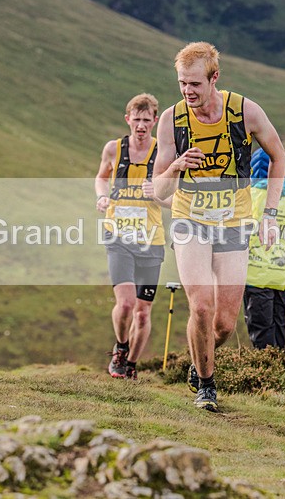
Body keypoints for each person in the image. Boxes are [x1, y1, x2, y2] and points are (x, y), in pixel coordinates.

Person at [153, 42, 285, 411]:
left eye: (195, 84)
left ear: (215, 78)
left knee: (225, 323)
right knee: (200, 307)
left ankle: (200, 360)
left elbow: (278, 155)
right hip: (190, 221)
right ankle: (206, 385)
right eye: (182, 83)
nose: (187, 91)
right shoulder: (172, 119)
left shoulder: (245, 111)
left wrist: (270, 213)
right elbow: (158, 189)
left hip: (234, 222)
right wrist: (176, 167)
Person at [95, 93, 167, 380]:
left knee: (142, 312)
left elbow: (177, 198)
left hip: (151, 240)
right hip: (118, 236)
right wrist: (102, 197)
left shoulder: (163, 154)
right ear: (128, 119)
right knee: (125, 304)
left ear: (155, 121)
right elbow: (101, 176)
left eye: (146, 120)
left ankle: (132, 365)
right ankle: (120, 348)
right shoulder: (114, 149)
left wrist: (158, 194)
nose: (140, 125)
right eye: (136, 120)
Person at [244, 148, 285, 351]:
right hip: (284, 275)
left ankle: (267, 376)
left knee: (261, 331)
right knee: (278, 327)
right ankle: (280, 376)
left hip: (255, 275)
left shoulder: (249, 196)